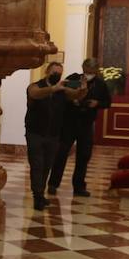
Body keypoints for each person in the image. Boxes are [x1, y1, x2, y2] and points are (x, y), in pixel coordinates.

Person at [26, 61, 88, 210]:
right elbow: (34, 94)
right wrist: (54, 88)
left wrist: (83, 90)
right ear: (47, 72)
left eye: (59, 73)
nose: (57, 75)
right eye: (54, 72)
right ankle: (37, 197)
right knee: (37, 165)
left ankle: (40, 194)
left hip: (53, 135)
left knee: (47, 165)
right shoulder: (36, 86)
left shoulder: (62, 90)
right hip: (35, 133)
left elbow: (76, 96)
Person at [48, 57, 111, 198]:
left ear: (96, 70)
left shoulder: (100, 84)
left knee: (83, 156)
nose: (88, 73)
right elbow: (62, 93)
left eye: (91, 71)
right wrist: (73, 99)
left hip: (87, 124)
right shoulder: (73, 79)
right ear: (82, 68)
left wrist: (97, 103)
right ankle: (53, 184)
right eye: (86, 70)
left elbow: (107, 102)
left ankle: (79, 186)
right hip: (70, 122)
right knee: (61, 153)